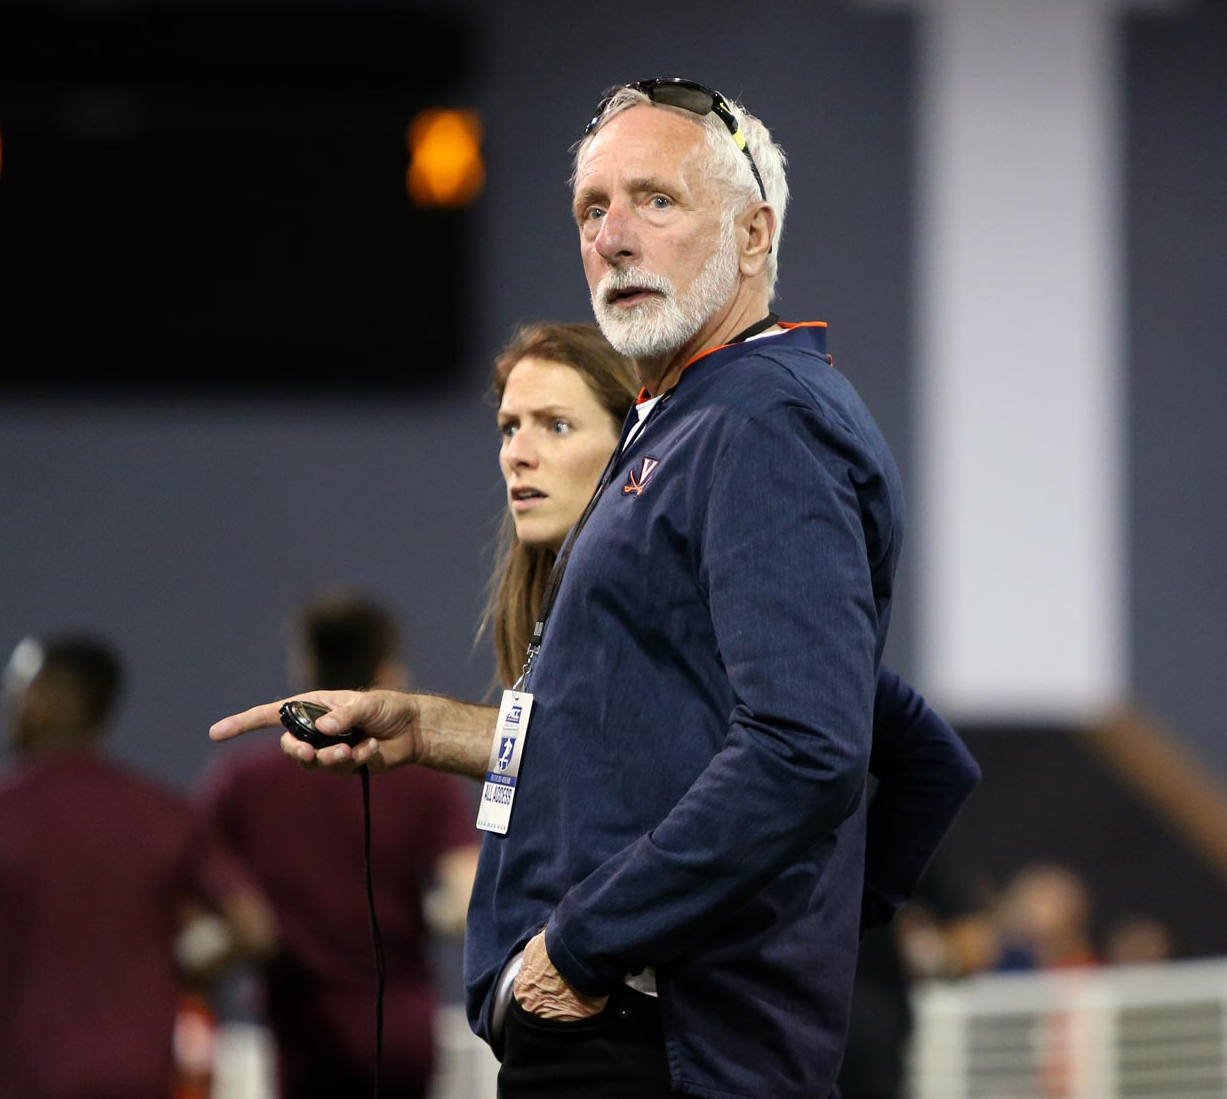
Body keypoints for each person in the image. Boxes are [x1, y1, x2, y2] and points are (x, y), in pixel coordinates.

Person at [214, 78, 979, 1097]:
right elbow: (653, 729)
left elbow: (810, 746)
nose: (613, 236)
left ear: (753, 236)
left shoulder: (756, 427)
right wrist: (426, 728)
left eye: (655, 200)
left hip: (649, 1043)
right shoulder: (698, 422)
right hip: (623, 1034)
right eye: (590, 208)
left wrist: (596, 946)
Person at [0, 633, 275, 1099]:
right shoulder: (165, 812)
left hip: (21, 1077)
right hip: (138, 1075)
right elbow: (254, 929)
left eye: (15, 689)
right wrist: (174, 965)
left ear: (43, 698)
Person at [198, 591, 479, 1098]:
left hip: (302, 1037)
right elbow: (468, 898)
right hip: (402, 1039)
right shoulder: (426, 783)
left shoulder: (241, 785)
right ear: (389, 671)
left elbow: (211, 913)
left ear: (304, 664)